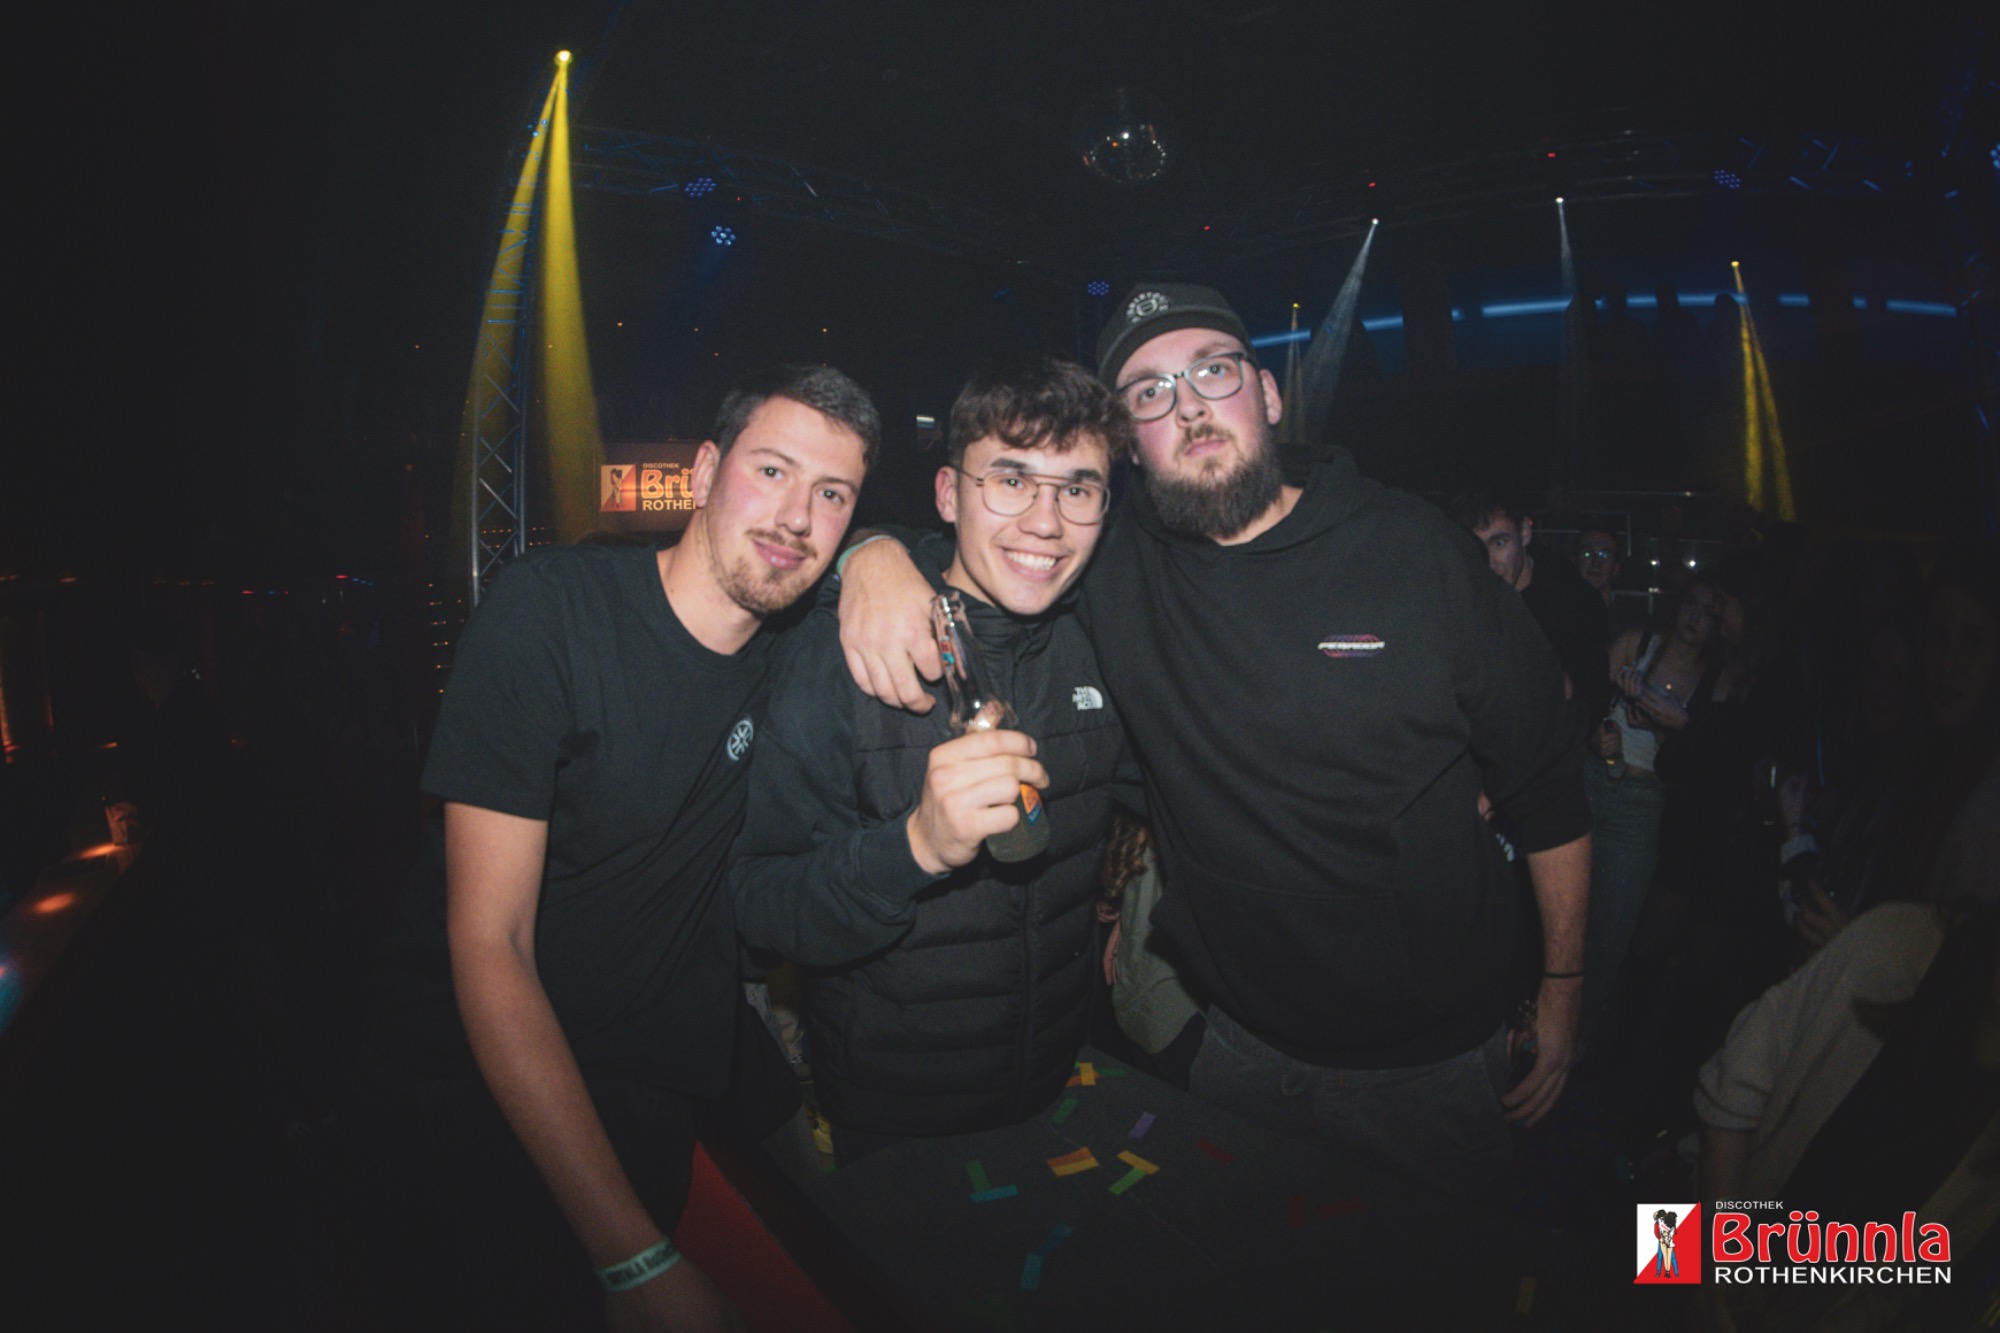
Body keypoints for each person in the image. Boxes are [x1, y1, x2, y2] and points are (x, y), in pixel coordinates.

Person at [837, 283, 1592, 1202]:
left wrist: (1563, 987)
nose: (1189, 405)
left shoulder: (1413, 549)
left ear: (1267, 393)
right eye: (1150, 391)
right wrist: (871, 556)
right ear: (1129, 441)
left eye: (1213, 372)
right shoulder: (1112, 561)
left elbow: (1548, 782)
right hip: (1236, 1050)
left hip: (1430, 1069)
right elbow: (995, 538)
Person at [349, 365, 879, 1331]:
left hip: (648, 1088)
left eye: (834, 494)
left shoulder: (795, 649)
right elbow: (491, 942)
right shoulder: (550, 613)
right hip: (475, 1090)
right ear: (706, 471)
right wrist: (629, 1255)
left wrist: (886, 556)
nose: (797, 515)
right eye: (772, 470)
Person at [729, 353, 1139, 1161]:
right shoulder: (839, 654)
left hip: (1060, 1082)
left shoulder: (1104, 642)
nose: (1046, 522)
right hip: (895, 1117)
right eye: (1011, 480)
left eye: (1078, 489)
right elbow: (757, 906)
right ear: (949, 494)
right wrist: (913, 848)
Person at [1452, 487, 1612, 745]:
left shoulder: (1574, 603)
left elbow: (1592, 700)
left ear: (1525, 532)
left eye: (1499, 543)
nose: (1489, 563)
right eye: (1477, 547)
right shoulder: (1460, 599)